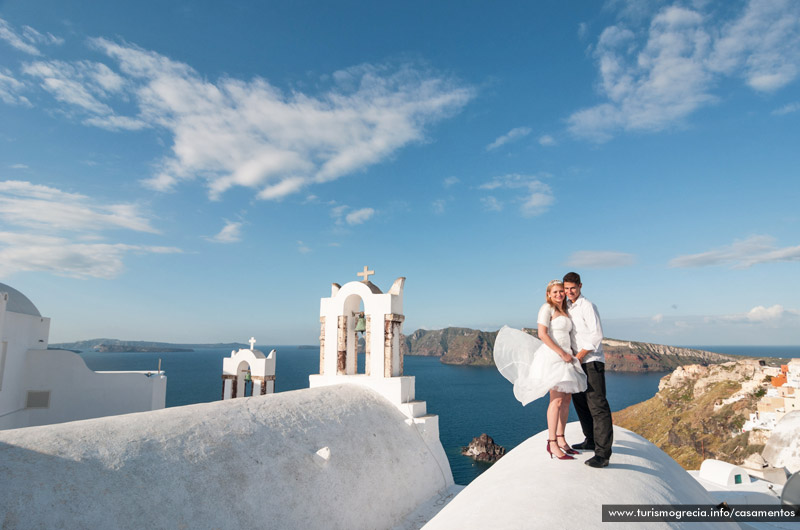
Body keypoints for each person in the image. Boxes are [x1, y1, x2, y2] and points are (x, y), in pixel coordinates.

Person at [493, 279, 587, 461]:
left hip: (567, 356)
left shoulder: (564, 309)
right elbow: (542, 334)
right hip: (554, 357)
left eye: (561, 291)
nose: (559, 294)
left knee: (566, 400)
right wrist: (561, 354)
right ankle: (552, 442)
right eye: (555, 292)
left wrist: (571, 354)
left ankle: (562, 440)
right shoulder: (547, 308)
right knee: (556, 401)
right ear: (548, 295)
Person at [563, 271, 613, 468]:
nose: (569, 292)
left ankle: (603, 454)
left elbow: (596, 335)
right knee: (580, 403)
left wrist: (580, 355)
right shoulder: (567, 306)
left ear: (580, 286)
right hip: (576, 362)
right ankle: (590, 440)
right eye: (566, 289)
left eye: (572, 288)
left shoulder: (588, 306)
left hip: (591, 361)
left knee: (598, 406)